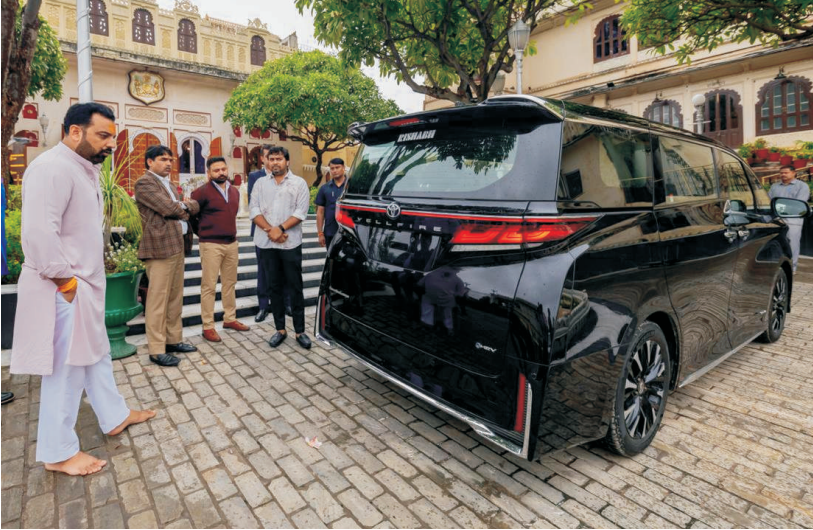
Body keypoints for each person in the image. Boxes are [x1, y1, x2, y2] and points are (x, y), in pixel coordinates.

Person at [11, 102, 155, 476]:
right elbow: (39, 233)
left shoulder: (83, 168)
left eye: (112, 137)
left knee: (96, 356)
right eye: (102, 135)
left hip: (83, 288)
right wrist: (66, 282)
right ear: (75, 131)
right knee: (67, 370)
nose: (111, 144)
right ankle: (57, 453)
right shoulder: (52, 168)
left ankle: (114, 416)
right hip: (63, 290)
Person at [135, 145, 200, 366]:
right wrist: (185, 207)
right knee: (157, 300)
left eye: (170, 159)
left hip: (178, 245)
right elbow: (168, 209)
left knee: (174, 297)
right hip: (159, 247)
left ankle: (173, 340)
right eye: (163, 159)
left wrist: (182, 206)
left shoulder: (170, 185)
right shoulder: (144, 183)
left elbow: (184, 206)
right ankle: (156, 349)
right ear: (150, 162)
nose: (169, 163)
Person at [249, 146, 312, 349]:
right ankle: (280, 330)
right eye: (271, 159)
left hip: (290, 242)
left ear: (287, 161)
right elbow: (254, 210)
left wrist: (281, 228)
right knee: (273, 287)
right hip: (266, 242)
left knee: (295, 287)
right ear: (266, 161)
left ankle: (300, 331)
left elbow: (301, 212)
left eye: (279, 158)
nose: (275, 162)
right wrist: (271, 230)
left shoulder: (299, 183)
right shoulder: (260, 183)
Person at [190, 157, 249, 342]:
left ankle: (229, 319)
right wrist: (203, 233)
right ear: (208, 173)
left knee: (229, 283)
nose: (221, 172)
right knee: (209, 286)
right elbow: (191, 216)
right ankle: (208, 326)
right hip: (211, 244)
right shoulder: (200, 192)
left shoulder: (234, 191)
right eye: (216, 170)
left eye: (223, 169)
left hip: (231, 243)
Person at [769, 165, 810, 272]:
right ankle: (776, 268)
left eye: (786, 172)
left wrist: (781, 208)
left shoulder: (802, 186)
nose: (783, 175)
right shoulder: (774, 186)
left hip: (793, 219)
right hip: (776, 219)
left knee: (792, 244)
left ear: (794, 173)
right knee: (775, 243)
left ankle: (792, 268)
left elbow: (799, 203)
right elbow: (769, 201)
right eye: (781, 173)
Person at [315, 158, 348, 248]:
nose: (334, 170)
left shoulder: (351, 187)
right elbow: (320, 212)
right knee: (331, 256)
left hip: (349, 233)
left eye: (337, 167)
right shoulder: (324, 188)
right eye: (332, 168)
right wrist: (320, 233)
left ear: (343, 168)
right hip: (330, 232)